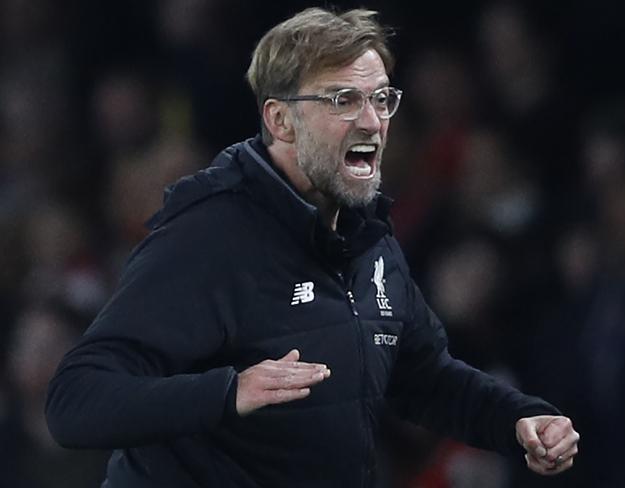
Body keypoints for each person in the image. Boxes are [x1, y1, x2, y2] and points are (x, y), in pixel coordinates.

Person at [45, 7, 579, 487]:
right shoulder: (208, 239)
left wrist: (518, 420)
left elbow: (423, 378)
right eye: (343, 100)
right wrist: (227, 393)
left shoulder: (369, 240)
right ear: (281, 121)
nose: (371, 121)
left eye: (381, 99)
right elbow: (77, 400)